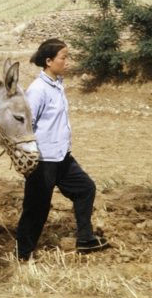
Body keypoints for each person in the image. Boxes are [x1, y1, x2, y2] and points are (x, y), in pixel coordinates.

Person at [17, 38, 109, 261]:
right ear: (49, 61)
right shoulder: (38, 90)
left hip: (62, 157)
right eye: (63, 58)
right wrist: (29, 155)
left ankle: (85, 239)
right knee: (36, 208)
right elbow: (26, 125)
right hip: (43, 160)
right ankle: (23, 254)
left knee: (85, 188)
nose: (67, 62)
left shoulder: (57, 84)